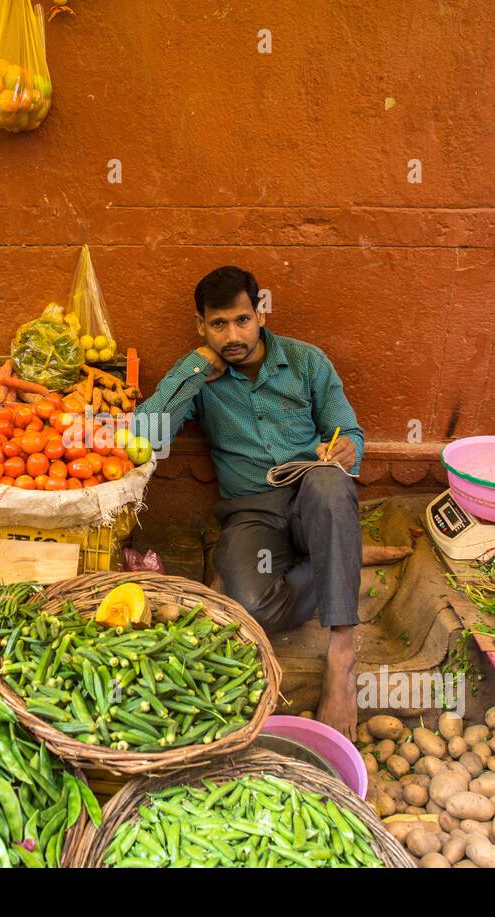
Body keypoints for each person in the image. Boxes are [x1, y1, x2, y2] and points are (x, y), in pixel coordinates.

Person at [135, 266, 364, 739]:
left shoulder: (306, 362)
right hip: (251, 511)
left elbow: (351, 432)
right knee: (247, 606)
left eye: (241, 320)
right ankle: (339, 555)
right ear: (201, 326)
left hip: (311, 496)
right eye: (218, 325)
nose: (233, 335)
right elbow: (145, 435)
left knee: (329, 484)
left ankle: (342, 651)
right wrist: (195, 367)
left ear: (259, 313)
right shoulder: (203, 376)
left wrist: (346, 449)